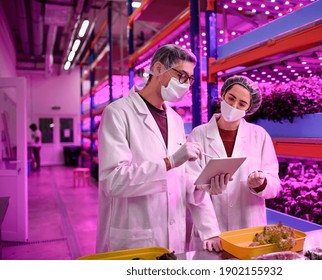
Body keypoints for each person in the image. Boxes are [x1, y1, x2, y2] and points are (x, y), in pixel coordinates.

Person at [96, 44, 224, 253]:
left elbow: (181, 179)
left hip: (172, 235)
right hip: (135, 235)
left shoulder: (175, 119)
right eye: (181, 75)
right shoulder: (118, 113)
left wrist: (202, 186)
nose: (185, 85)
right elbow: (113, 182)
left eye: (189, 80)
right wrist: (169, 162)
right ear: (157, 68)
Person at [187, 75, 282, 250]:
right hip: (210, 233)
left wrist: (261, 184)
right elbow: (189, 184)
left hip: (248, 229)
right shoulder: (198, 134)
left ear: (249, 108)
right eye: (231, 99)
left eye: (242, 104)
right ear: (223, 94)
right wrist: (203, 188)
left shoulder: (259, 136)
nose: (234, 106)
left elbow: (275, 185)